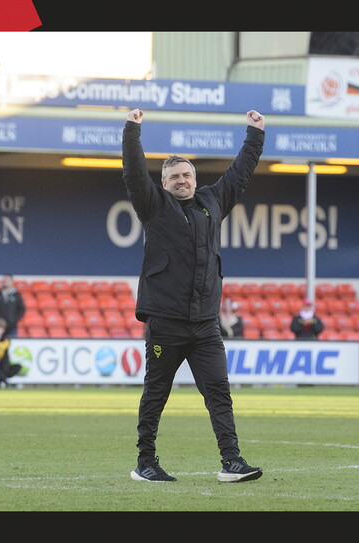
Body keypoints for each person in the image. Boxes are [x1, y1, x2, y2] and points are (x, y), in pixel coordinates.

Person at [122, 107, 264, 483]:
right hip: (166, 323)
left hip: (204, 324)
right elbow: (135, 173)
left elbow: (240, 174)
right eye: (173, 177)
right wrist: (132, 132)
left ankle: (231, 461)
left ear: (194, 179)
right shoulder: (153, 206)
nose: (181, 180)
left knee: (219, 392)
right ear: (164, 183)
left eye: (186, 175)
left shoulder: (212, 202)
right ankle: (145, 462)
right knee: (156, 396)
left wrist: (255, 134)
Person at [0, 274, 25, 339]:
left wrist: (14, 320)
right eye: (4, 280)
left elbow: (21, 309)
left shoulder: (17, 295)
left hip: (11, 326)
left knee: (11, 344)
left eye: (7, 280)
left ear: (12, 281)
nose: (5, 281)